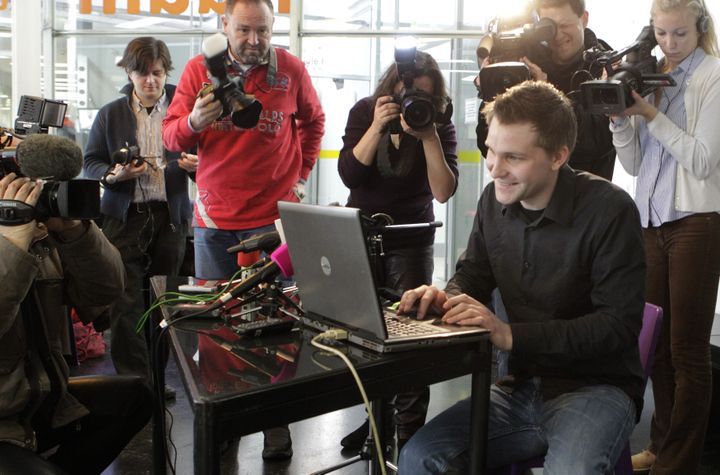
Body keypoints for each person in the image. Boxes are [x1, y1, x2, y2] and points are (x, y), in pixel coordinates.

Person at [397, 80, 647, 474]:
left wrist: (511, 335)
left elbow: (617, 327)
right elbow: (473, 274)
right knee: (418, 458)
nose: (495, 168)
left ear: (558, 155)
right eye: (492, 152)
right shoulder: (493, 201)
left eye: (513, 157)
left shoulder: (610, 210)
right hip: (520, 386)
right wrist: (445, 297)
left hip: (596, 388)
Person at [162, 0, 325, 460]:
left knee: (281, 328)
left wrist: (301, 174)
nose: (254, 41)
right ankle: (227, 417)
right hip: (216, 222)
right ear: (224, 26)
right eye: (245, 30)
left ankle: (276, 422)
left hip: (277, 221)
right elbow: (172, 136)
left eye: (263, 31)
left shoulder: (290, 70)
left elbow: (313, 121)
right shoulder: (199, 70)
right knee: (218, 328)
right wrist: (195, 120)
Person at [610, 1, 720, 473]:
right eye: (660, 34)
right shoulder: (649, 75)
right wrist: (620, 120)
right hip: (650, 222)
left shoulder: (712, 76)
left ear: (700, 29)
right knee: (655, 344)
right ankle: (660, 446)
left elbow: (700, 160)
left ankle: (680, 461)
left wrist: (651, 114)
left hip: (697, 221)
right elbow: (634, 165)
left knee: (687, 349)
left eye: (679, 35)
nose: (668, 45)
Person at [337, 50, 458, 454]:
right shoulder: (364, 112)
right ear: (389, 89)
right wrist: (376, 126)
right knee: (364, 340)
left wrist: (428, 136)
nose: (412, 103)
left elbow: (443, 190)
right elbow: (350, 175)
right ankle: (374, 423)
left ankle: (407, 441)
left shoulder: (437, 122)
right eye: (406, 94)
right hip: (362, 240)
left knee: (409, 345)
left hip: (411, 241)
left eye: (423, 97)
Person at [0, 157, 152, 474]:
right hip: (4, 423)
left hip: (36, 401)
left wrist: (74, 231)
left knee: (134, 398)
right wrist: (10, 244)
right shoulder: (16, 237)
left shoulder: (36, 236)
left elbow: (105, 290)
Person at [83, 37, 195, 396]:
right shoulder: (111, 113)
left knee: (164, 301)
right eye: (142, 73)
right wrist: (114, 175)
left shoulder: (184, 106)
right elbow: (91, 162)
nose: (151, 81)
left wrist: (196, 166)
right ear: (128, 73)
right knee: (126, 301)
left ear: (166, 72)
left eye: (158, 73)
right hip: (124, 215)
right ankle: (136, 384)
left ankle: (158, 379)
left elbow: (209, 154)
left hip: (170, 215)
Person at [476, 0, 616, 180]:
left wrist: (542, 94)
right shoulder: (521, 61)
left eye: (565, 25)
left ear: (584, 19)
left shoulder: (604, 65)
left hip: (586, 196)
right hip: (522, 194)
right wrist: (491, 92)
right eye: (548, 27)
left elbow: (599, 141)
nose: (557, 35)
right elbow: (486, 143)